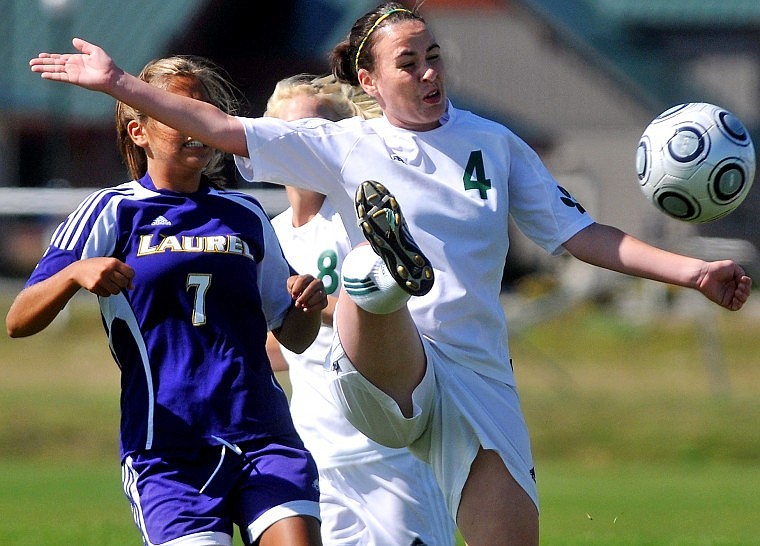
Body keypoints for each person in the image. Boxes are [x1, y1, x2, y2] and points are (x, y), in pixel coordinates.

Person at [28, 3, 753, 544]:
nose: (430, 71)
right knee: (377, 277)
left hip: (476, 377)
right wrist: (119, 81)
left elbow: (581, 233)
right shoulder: (341, 145)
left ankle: (382, 271)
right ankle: (379, 271)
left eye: (434, 55)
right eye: (410, 62)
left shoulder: (494, 145)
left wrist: (693, 273)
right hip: (378, 371)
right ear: (370, 80)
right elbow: (218, 129)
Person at [10, 55, 327, 546]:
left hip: (263, 436)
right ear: (139, 133)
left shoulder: (244, 213)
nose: (193, 125)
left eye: (199, 111)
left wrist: (305, 304)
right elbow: (19, 320)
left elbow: (295, 337)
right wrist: (74, 273)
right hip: (168, 451)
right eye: (176, 114)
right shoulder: (112, 211)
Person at [263, 74, 455, 545]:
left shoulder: (360, 218)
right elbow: (278, 345)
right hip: (316, 451)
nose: (304, 146)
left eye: (318, 132)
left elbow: (397, 307)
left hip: (388, 447)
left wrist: (317, 306)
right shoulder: (272, 232)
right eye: (291, 134)